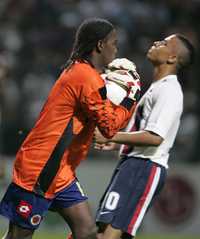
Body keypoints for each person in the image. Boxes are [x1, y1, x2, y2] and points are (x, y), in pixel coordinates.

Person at [0, 18, 140, 239]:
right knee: (18, 237)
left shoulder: (81, 71)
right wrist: (130, 98)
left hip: (61, 170)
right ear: (100, 45)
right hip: (41, 169)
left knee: (86, 232)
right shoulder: (86, 78)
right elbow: (110, 127)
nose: (117, 48)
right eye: (114, 42)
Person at [94, 33, 195, 239]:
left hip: (144, 167)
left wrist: (112, 136)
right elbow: (143, 131)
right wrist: (116, 145)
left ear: (173, 58)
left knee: (109, 234)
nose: (157, 43)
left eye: (165, 43)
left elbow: (155, 137)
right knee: (104, 231)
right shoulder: (157, 87)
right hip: (133, 163)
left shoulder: (170, 91)